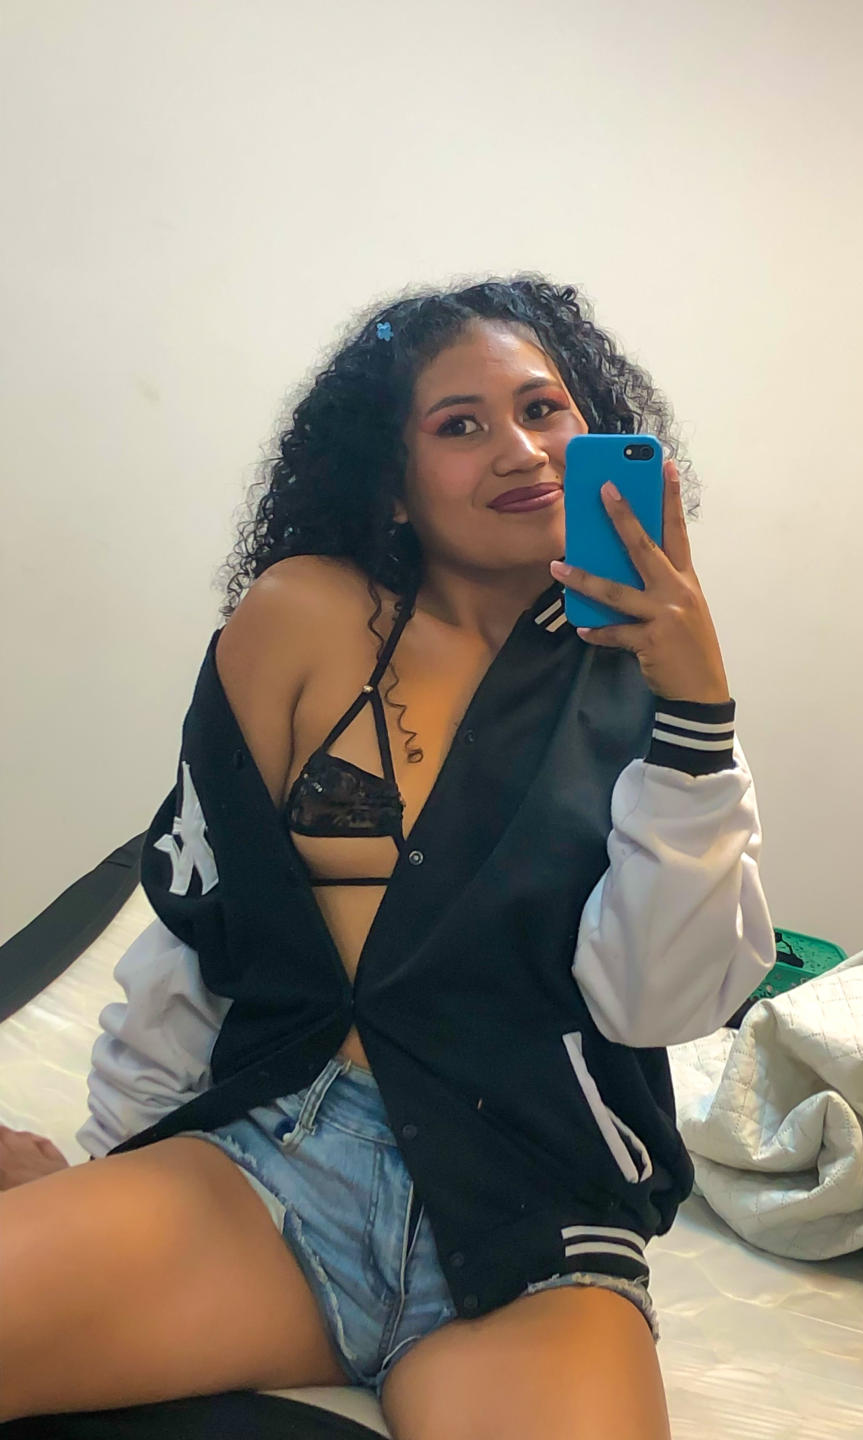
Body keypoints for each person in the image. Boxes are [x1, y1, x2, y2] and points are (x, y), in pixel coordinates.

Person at [0, 275, 774, 1436]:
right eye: (460, 425)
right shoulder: (302, 617)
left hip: (535, 1224)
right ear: (394, 484)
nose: (520, 450)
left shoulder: (656, 693)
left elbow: (657, 1002)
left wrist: (699, 712)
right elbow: (205, 930)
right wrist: (114, 1170)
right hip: (273, 1165)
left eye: (543, 409)